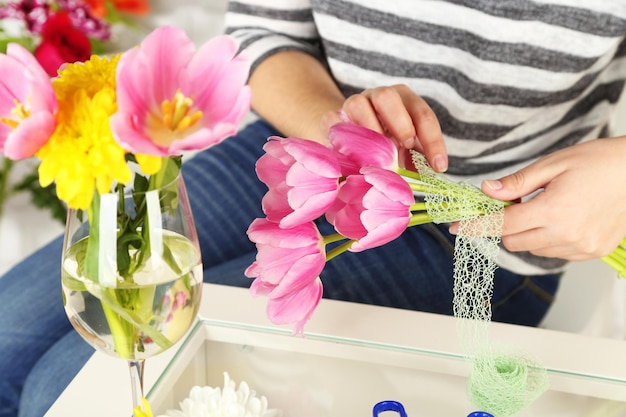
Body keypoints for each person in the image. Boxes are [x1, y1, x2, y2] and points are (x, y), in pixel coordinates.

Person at [3, 1, 626, 416]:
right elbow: (265, 30)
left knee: (68, 387)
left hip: (482, 233)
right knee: (10, 342)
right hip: (305, 141)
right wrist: (339, 134)